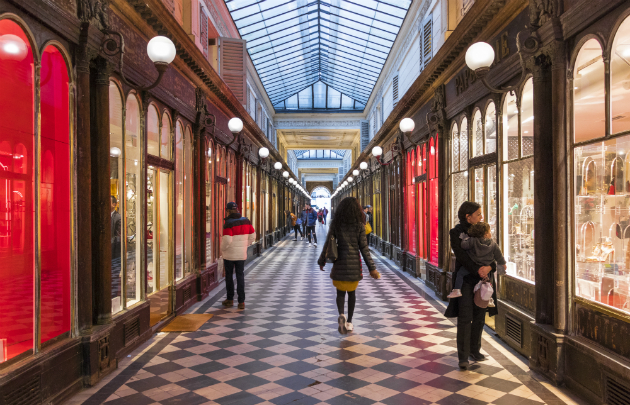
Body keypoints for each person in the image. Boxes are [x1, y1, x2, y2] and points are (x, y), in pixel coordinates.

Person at [445, 202, 497, 370]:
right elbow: (461, 256)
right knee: (465, 317)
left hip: (483, 281)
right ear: (468, 216)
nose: (481, 217)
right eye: (478, 214)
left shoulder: (484, 229)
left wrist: (490, 267)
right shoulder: (456, 232)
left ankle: (475, 349)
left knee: (480, 316)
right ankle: (463, 356)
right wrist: (478, 270)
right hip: (466, 281)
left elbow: (493, 251)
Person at [318, 197, 380, 334]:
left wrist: (321, 260)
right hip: (354, 264)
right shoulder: (359, 225)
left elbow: (328, 243)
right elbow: (364, 249)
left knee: (340, 292)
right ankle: (350, 322)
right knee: (351, 293)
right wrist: (372, 268)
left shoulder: (336, 224)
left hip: (339, 262)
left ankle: (341, 314)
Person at [447, 222, 504, 308]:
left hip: (475, 264)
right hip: (486, 267)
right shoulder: (493, 244)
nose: (490, 233)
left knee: (460, 273)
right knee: (488, 284)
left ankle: (457, 290)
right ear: (485, 234)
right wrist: (502, 263)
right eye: (489, 231)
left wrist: (465, 238)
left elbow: (463, 245)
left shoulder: (473, 240)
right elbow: (498, 255)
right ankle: (489, 299)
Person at [221, 202, 255, 310]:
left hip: (229, 255)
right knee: (240, 276)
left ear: (227, 211)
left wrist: (222, 248)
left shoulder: (228, 223)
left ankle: (230, 299)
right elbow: (253, 236)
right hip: (241, 254)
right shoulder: (246, 221)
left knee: (229, 277)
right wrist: (246, 244)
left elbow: (227, 240)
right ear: (237, 210)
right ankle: (241, 302)